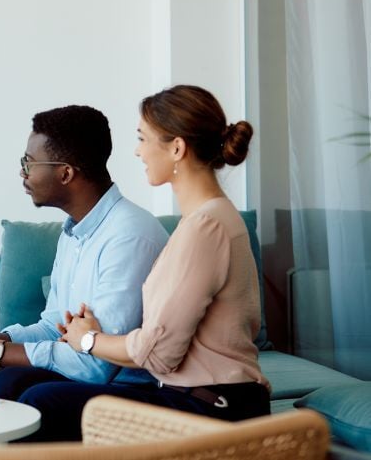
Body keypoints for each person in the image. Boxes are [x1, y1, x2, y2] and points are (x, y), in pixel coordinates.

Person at [19, 85, 270, 442]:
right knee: (30, 389)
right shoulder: (204, 220)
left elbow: (159, 354)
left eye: (143, 138)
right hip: (195, 395)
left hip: (212, 406)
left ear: (177, 148)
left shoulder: (206, 226)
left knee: (45, 400)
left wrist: (88, 339)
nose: (138, 151)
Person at [0, 105, 168, 402]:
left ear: (65, 173)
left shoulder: (129, 236)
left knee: (16, 386)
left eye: (29, 163)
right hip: (84, 372)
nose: (22, 172)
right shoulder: (74, 232)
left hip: (128, 387)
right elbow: (54, 327)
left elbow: (96, 364)